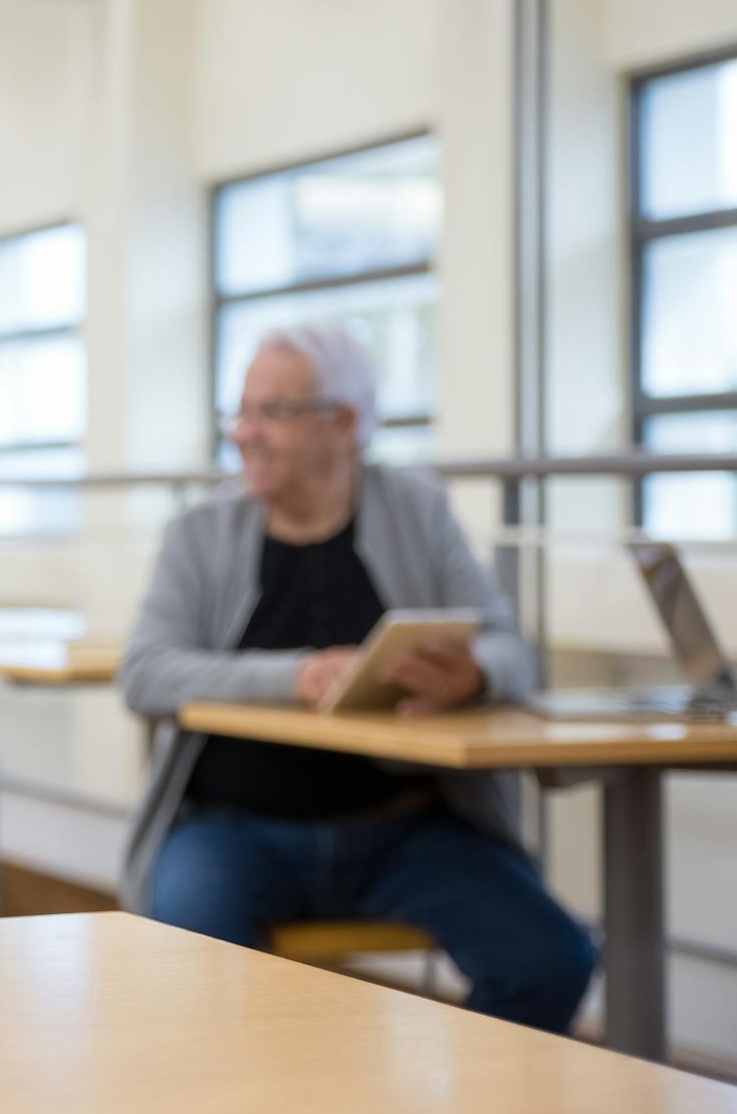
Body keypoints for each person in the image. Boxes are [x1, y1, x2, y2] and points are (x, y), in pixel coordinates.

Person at [121, 323, 596, 1034]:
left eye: (270, 412)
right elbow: (146, 673)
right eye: (241, 411)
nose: (245, 433)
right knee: (195, 969)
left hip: (409, 831)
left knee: (553, 959)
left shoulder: (419, 509)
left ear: (343, 424)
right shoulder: (199, 532)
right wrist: (302, 674)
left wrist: (471, 676)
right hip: (236, 831)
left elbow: (512, 652)